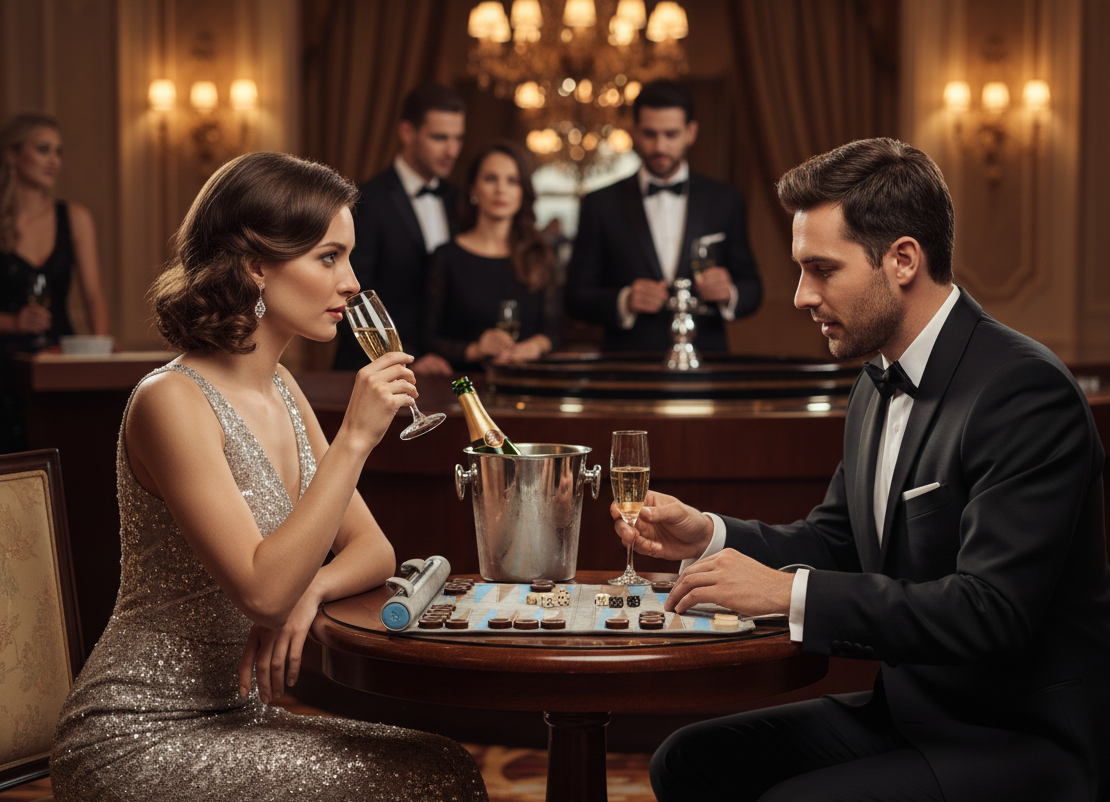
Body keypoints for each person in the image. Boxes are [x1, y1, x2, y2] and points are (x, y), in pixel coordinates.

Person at [613, 138, 1110, 802]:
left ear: (902, 259)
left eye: (821, 268)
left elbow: (991, 613)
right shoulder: (875, 384)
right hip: (911, 714)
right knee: (688, 761)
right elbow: (838, 543)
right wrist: (708, 534)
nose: (799, 296)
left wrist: (787, 595)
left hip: (1016, 737)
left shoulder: (1024, 391)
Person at [50, 152, 488, 801]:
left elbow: (375, 552)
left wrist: (313, 589)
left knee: (445, 764)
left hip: (238, 712)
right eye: (328, 257)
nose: (351, 283)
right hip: (138, 728)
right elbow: (261, 593)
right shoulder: (171, 400)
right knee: (420, 783)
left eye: (349, 257)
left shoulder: (282, 386)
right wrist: (356, 438)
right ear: (257, 263)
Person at [565, 79, 761, 353]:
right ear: (634, 132)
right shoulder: (600, 203)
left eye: (671, 134)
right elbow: (574, 297)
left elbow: (753, 287)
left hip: (706, 361)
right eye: (649, 134)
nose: (659, 146)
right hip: (628, 366)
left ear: (690, 132)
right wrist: (624, 300)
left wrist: (730, 292)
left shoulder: (725, 200)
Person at [333, 84, 465, 376]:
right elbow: (350, 295)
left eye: (458, 138)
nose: (452, 150)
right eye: (440, 137)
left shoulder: (459, 200)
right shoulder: (365, 199)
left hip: (443, 372)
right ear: (407, 133)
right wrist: (408, 359)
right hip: (372, 370)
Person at [0, 111, 111, 451]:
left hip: (59, 358)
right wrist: (13, 322)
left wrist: (101, 351)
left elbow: (94, 296)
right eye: (43, 149)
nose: (54, 161)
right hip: (4, 365)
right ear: (12, 154)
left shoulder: (75, 218)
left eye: (58, 151)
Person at [424, 141, 559, 372]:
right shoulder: (446, 257)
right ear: (473, 190)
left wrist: (533, 347)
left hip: (526, 385)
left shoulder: (539, 255)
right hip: (464, 388)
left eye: (512, 181)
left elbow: (554, 332)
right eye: (490, 179)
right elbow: (427, 338)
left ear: (522, 192)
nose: (501, 189)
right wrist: (476, 348)